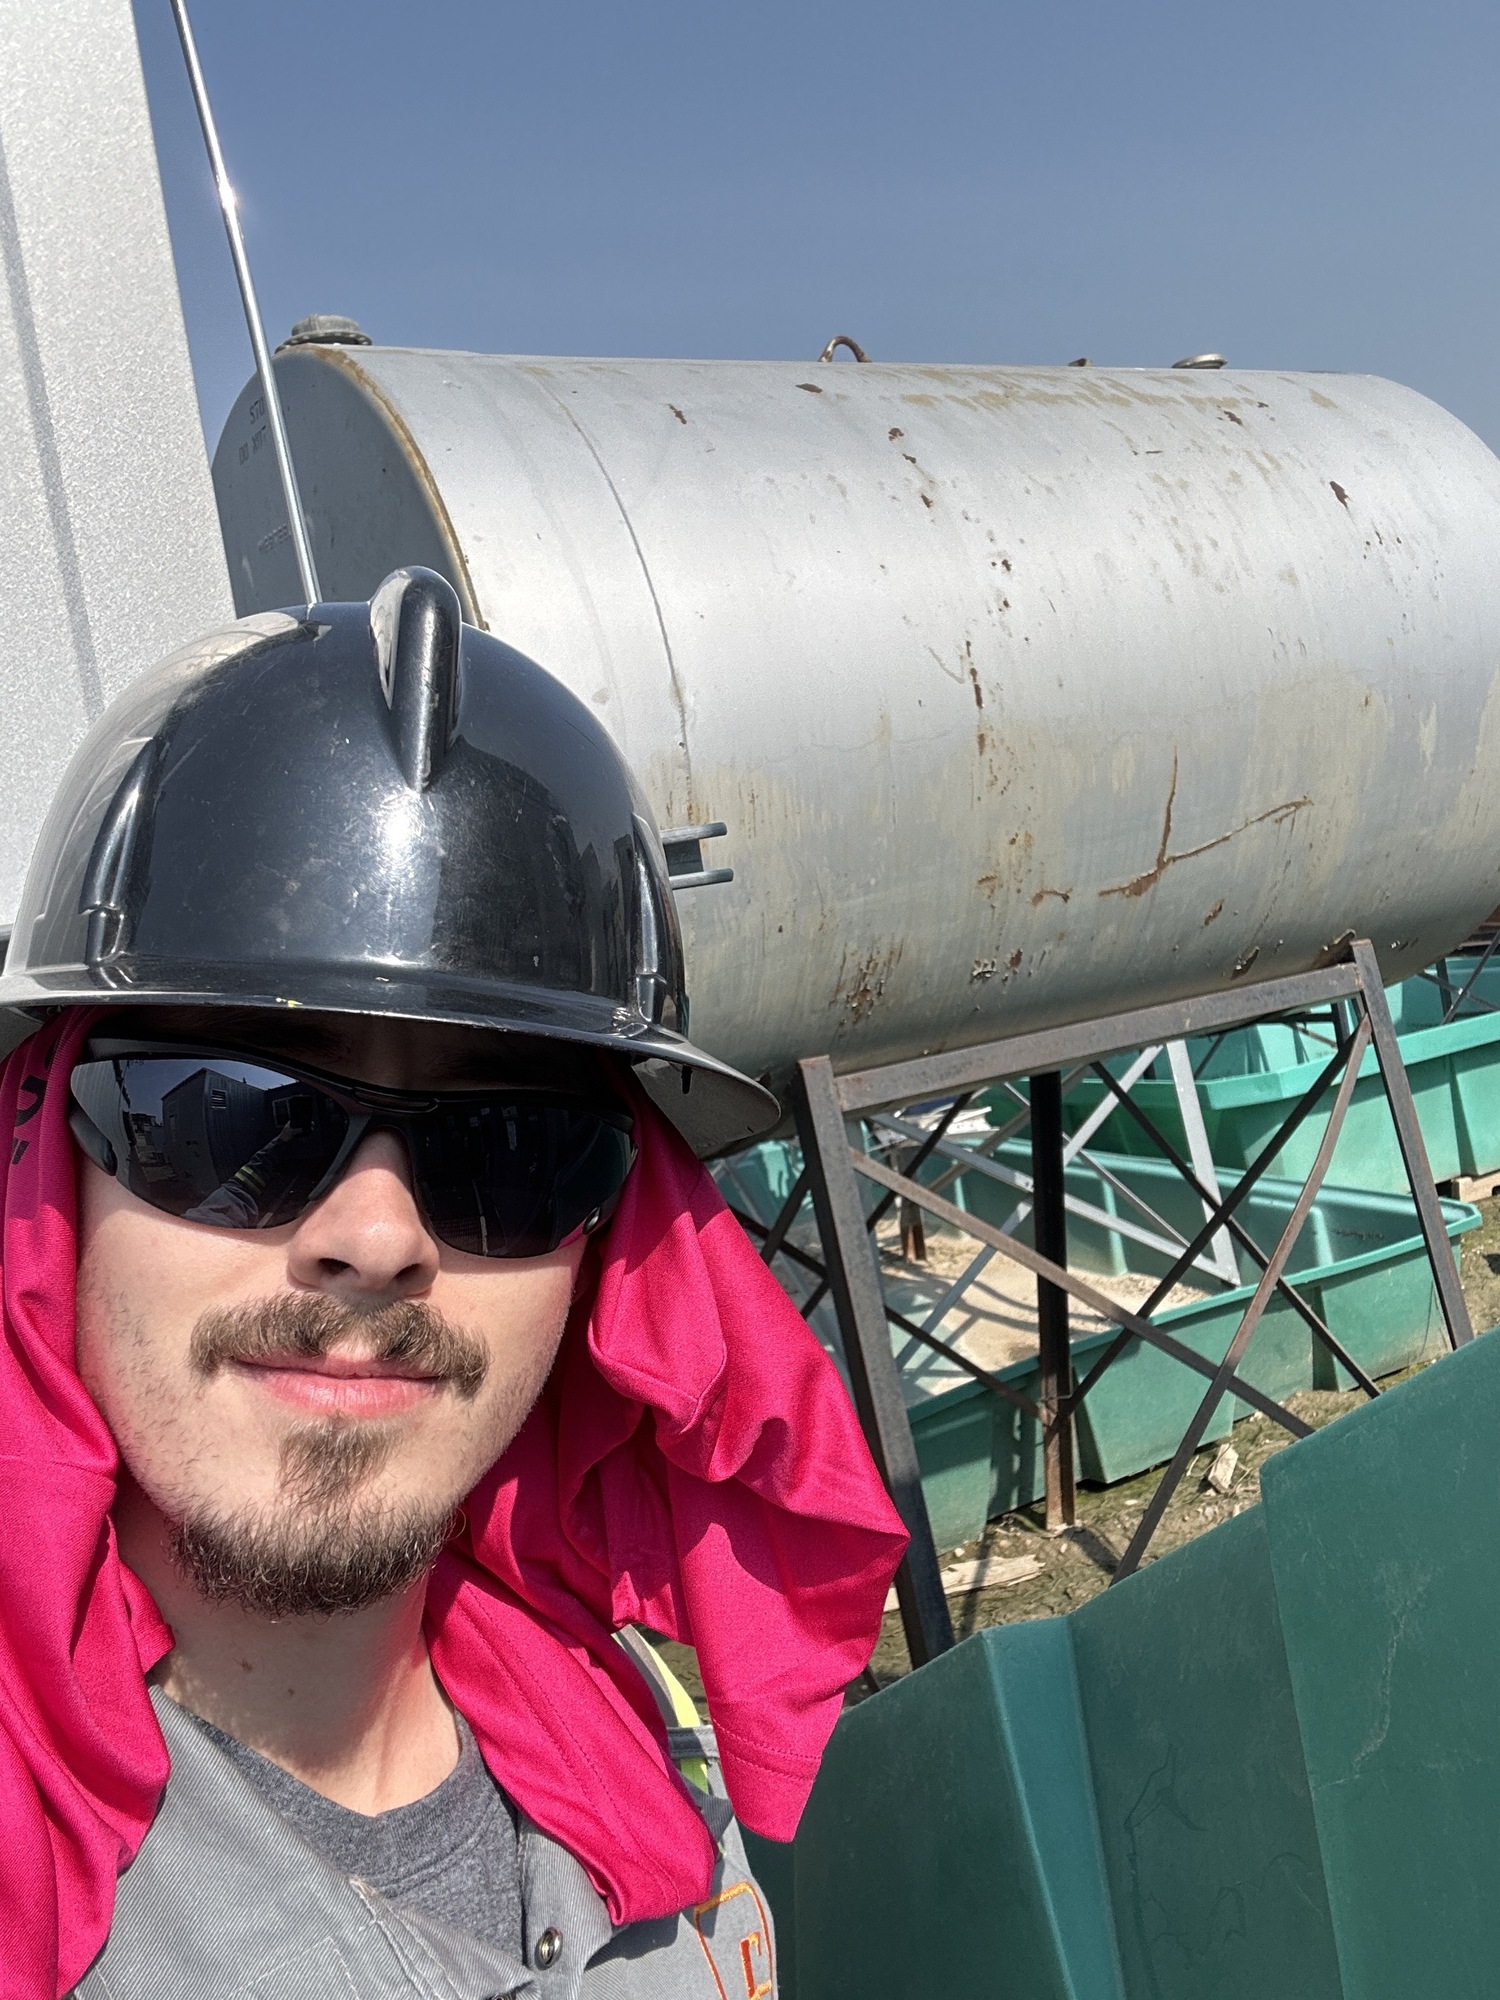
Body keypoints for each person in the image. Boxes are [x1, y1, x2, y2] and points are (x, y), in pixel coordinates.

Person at [0, 569, 906, 1999]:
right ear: (49, 1174)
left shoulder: (624, 1728)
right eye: (223, 1112)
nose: (377, 1235)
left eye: (510, 1149)